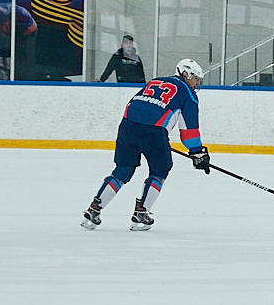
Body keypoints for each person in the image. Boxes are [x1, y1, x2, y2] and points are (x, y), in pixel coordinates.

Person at [83, 58, 209, 232]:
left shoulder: (155, 81)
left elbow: (136, 104)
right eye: (195, 78)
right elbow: (189, 129)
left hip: (128, 125)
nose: (197, 83)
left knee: (123, 169)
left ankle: (94, 209)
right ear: (185, 74)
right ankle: (141, 213)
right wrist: (197, 152)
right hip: (153, 131)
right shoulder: (187, 93)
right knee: (160, 171)